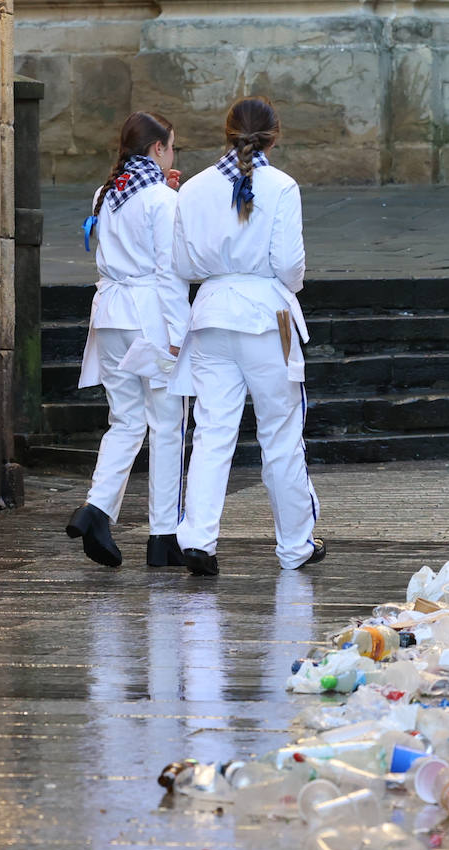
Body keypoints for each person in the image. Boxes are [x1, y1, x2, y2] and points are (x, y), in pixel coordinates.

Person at [167, 97, 324, 576]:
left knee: (213, 431)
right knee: (280, 433)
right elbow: (290, 266)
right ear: (274, 136)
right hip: (264, 314)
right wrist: (274, 284)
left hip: (212, 313)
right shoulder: (281, 186)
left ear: (227, 132)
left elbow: (183, 265)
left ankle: (197, 538)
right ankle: (296, 545)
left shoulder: (193, 189)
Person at [66, 112, 189, 568]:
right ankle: (164, 535)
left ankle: (96, 508)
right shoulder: (160, 198)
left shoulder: (107, 193)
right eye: (171, 146)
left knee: (125, 421)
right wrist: (177, 334)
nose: (172, 153)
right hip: (148, 318)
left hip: (110, 316)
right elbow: (169, 272)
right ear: (158, 149)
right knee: (167, 424)